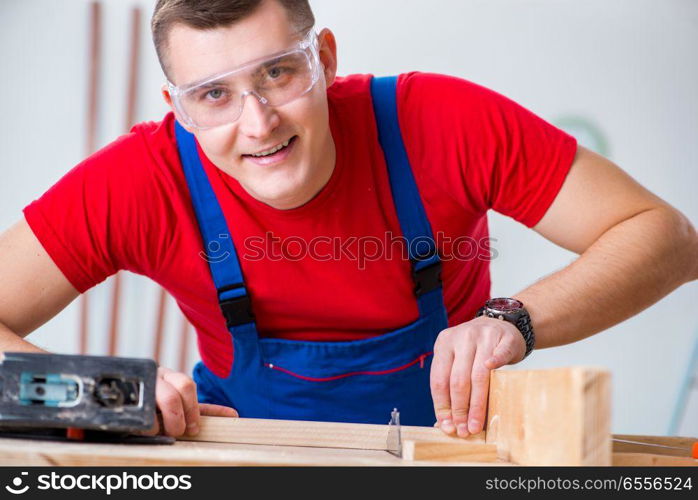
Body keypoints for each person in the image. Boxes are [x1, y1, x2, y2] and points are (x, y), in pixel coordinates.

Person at [0, 0, 696, 438]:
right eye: (213, 94)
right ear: (178, 107)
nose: (258, 122)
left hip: (449, 455)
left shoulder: (443, 123)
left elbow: (666, 236)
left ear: (324, 59)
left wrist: (511, 319)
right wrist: (103, 393)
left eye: (278, 73)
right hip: (241, 460)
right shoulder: (142, 179)